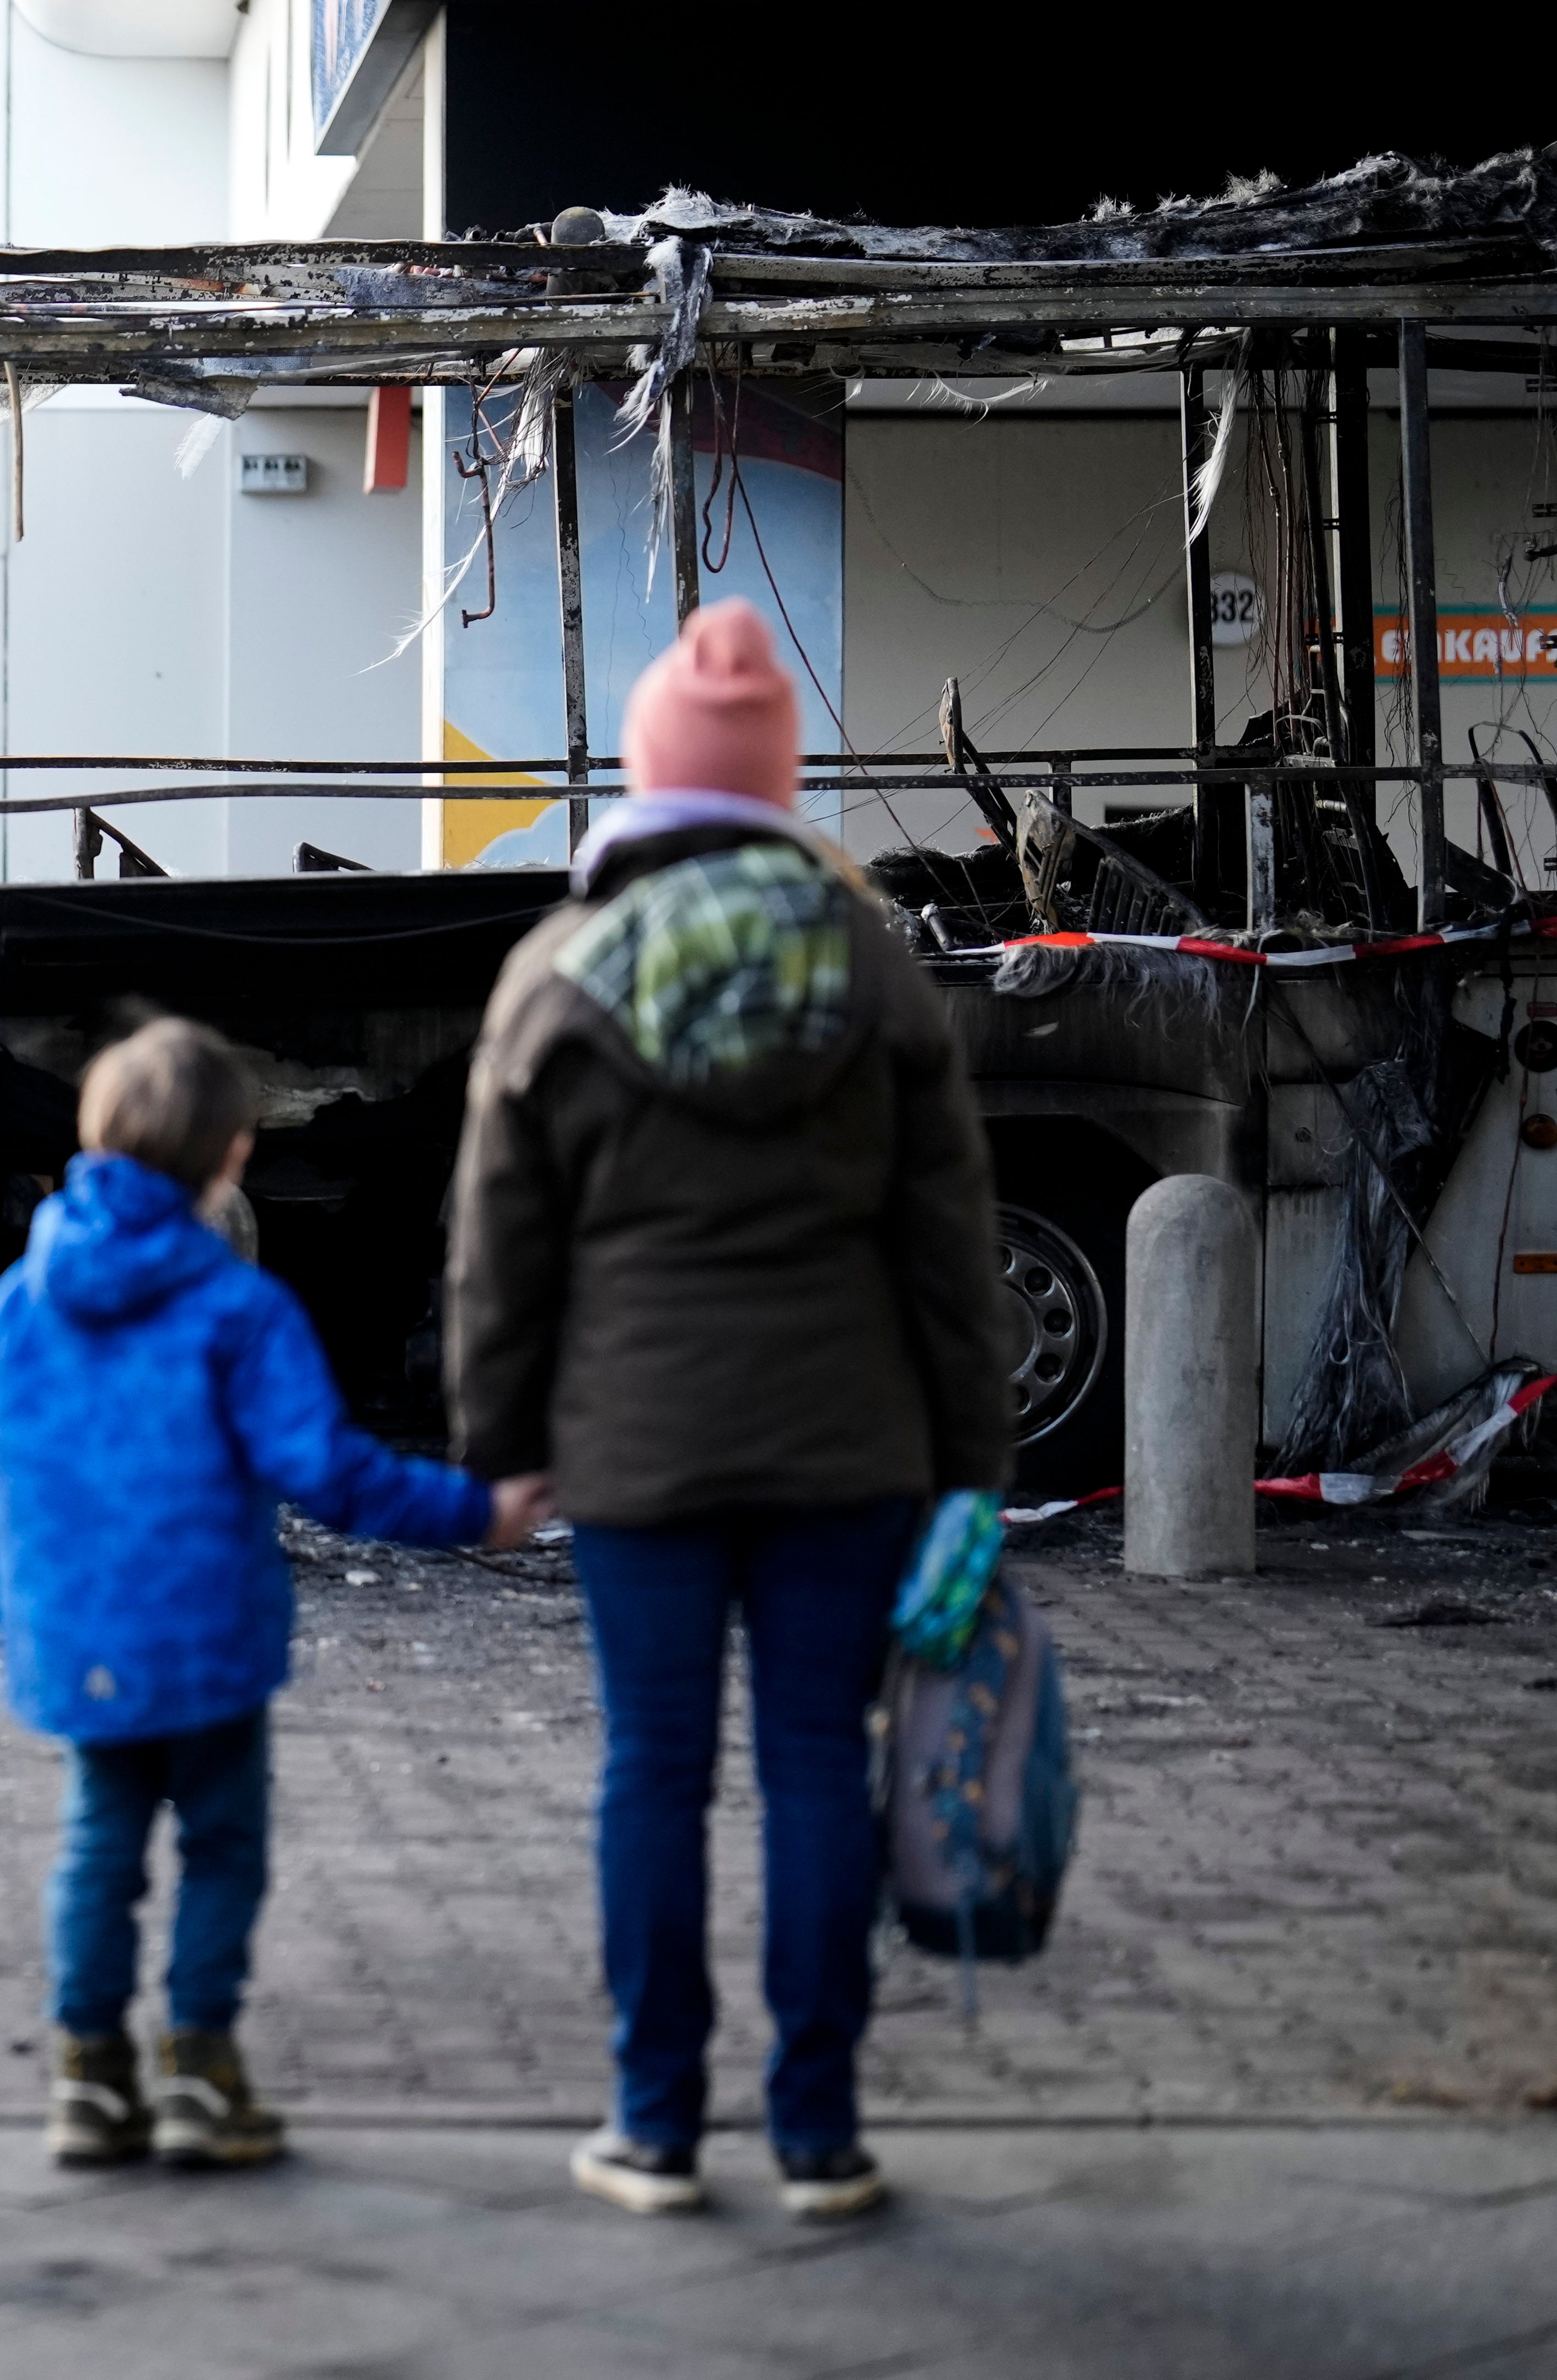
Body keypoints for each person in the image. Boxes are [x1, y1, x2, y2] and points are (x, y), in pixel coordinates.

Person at [446, 599, 1012, 2224]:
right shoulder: (878, 972)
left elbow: (500, 1248)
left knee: (653, 1773)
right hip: (853, 1447)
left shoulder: (556, 978)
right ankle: (821, 2133)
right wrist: (970, 1470)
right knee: (823, 1770)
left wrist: (503, 1449)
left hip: (637, 1451)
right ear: (774, 785)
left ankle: (655, 2121)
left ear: (649, 779)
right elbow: (948, 1246)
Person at [0, 1017, 552, 2172]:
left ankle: (85, 2081)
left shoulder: (21, 1299)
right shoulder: (237, 1310)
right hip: (209, 1635)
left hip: (75, 1633)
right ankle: (198, 2078)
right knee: (220, 1847)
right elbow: (326, 1471)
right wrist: (476, 1514)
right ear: (230, 1156)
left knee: (97, 1848)